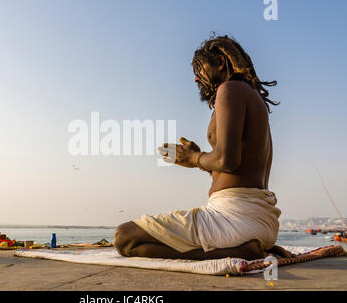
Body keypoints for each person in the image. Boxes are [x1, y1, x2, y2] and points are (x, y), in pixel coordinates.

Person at [114, 35, 293, 260]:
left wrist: (194, 158)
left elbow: (227, 161)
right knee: (133, 243)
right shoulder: (249, 96)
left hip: (234, 220)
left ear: (219, 62)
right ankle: (245, 247)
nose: (196, 78)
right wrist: (202, 162)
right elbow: (234, 168)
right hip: (258, 221)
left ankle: (237, 251)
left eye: (199, 68)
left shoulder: (230, 89)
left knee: (125, 238)